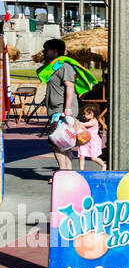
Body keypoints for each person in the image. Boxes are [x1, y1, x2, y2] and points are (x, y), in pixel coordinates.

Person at [38, 39, 81, 174]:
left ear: (55, 51)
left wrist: (67, 109)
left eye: (47, 49)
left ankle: (63, 172)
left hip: (61, 111)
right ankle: (67, 172)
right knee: (64, 143)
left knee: (57, 142)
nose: (44, 52)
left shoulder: (64, 66)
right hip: (58, 110)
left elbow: (70, 86)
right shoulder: (55, 66)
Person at [75, 103, 107, 170]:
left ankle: (103, 165)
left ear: (91, 114)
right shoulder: (88, 120)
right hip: (85, 140)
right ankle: (81, 170)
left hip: (93, 142)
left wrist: (78, 123)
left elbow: (85, 124)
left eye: (85, 114)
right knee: (81, 155)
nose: (84, 115)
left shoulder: (94, 121)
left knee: (93, 157)